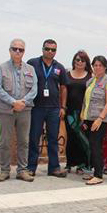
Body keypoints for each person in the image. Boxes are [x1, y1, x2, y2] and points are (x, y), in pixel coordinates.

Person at [0, 39, 38, 182]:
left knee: (24, 141)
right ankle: (4, 170)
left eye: (21, 49)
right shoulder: (1, 68)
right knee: (5, 141)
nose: (18, 51)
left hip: (25, 110)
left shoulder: (30, 69)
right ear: (10, 50)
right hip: (6, 110)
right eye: (15, 49)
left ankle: (22, 170)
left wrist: (22, 102)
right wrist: (13, 102)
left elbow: (34, 88)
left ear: (24, 52)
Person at [27, 39, 68, 178]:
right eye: (47, 49)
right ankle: (31, 167)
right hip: (36, 107)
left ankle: (54, 168)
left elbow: (63, 88)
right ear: (42, 49)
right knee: (34, 138)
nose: (50, 52)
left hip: (54, 109)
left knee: (53, 139)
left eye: (53, 50)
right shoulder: (33, 63)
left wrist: (63, 106)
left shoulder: (60, 67)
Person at [81, 56, 107, 185]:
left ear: (105, 67)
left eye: (100, 65)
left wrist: (100, 118)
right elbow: (86, 101)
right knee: (92, 146)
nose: (97, 67)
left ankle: (98, 175)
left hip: (100, 119)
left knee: (96, 146)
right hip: (88, 118)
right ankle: (95, 171)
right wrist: (83, 116)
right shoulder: (90, 81)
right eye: (95, 65)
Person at [64, 50, 92, 175]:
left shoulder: (90, 76)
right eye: (77, 60)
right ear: (74, 61)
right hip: (70, 112)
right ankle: (69, 163)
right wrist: (62, 107)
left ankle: (83, 164)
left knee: (82, 138)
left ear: (86, 63)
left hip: (84, 113)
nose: (80, 62)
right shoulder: (67, 74)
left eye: (82, 60)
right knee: (71, 138)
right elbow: (63, 91)